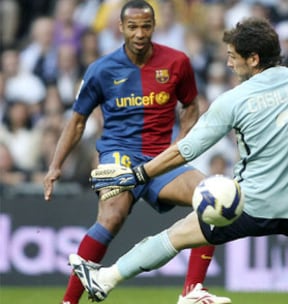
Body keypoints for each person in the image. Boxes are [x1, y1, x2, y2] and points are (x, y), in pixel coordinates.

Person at [69, 17, 288, 304]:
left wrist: (139, 175)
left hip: (252, 205)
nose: (228, 63)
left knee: (174, 236)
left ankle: (105, 279)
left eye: (233, 57)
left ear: (254, 59)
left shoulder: (232, 100)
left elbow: (185, 150)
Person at [43, 1, 230, 304]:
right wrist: (55, 165)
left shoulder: (177, 62)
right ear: (121, 28)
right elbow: (77, 122)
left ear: (154, 26)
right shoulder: (101, 70)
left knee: (213, 198)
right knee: (112, 217)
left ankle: (192, 291)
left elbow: (191, 106)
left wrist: (181, 144)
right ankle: (69, 302)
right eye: (133, 27)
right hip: (119, 156)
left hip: (161, 159)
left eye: (146, 26)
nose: (140, 33)